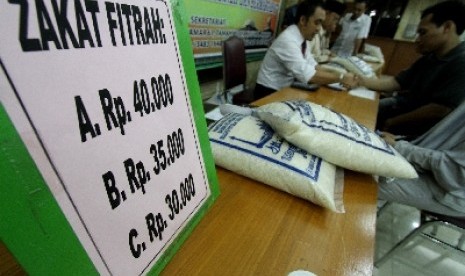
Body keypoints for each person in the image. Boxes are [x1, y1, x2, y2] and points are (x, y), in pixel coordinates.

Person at [357, 0, 465, 137]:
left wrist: (394, 121)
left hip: (416, 128)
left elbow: (439, 109)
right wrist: (360, 80)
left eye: (422, 32)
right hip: (400, 106)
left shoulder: (461, 61)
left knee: (363, 116)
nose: (417, 39)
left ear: (447, 27)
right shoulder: (431, 55)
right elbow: (396, 82)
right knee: (362, 105)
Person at [378, 99, 465, 217]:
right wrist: (401, 141)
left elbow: (456, 172)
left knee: (365, 183)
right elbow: (445, 136)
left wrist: (401, 147)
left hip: (450, 190)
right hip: (438, 166)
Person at [255, 0, 357, 99]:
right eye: (317, 23)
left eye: (321, 23)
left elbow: (314, 66)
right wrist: (341, 78)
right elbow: (309, 76)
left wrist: (339, 74)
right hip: (268, 92)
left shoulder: (303, 38)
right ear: (303, 20)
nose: (318, 29)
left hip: (285, 89)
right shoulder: (288, 40)